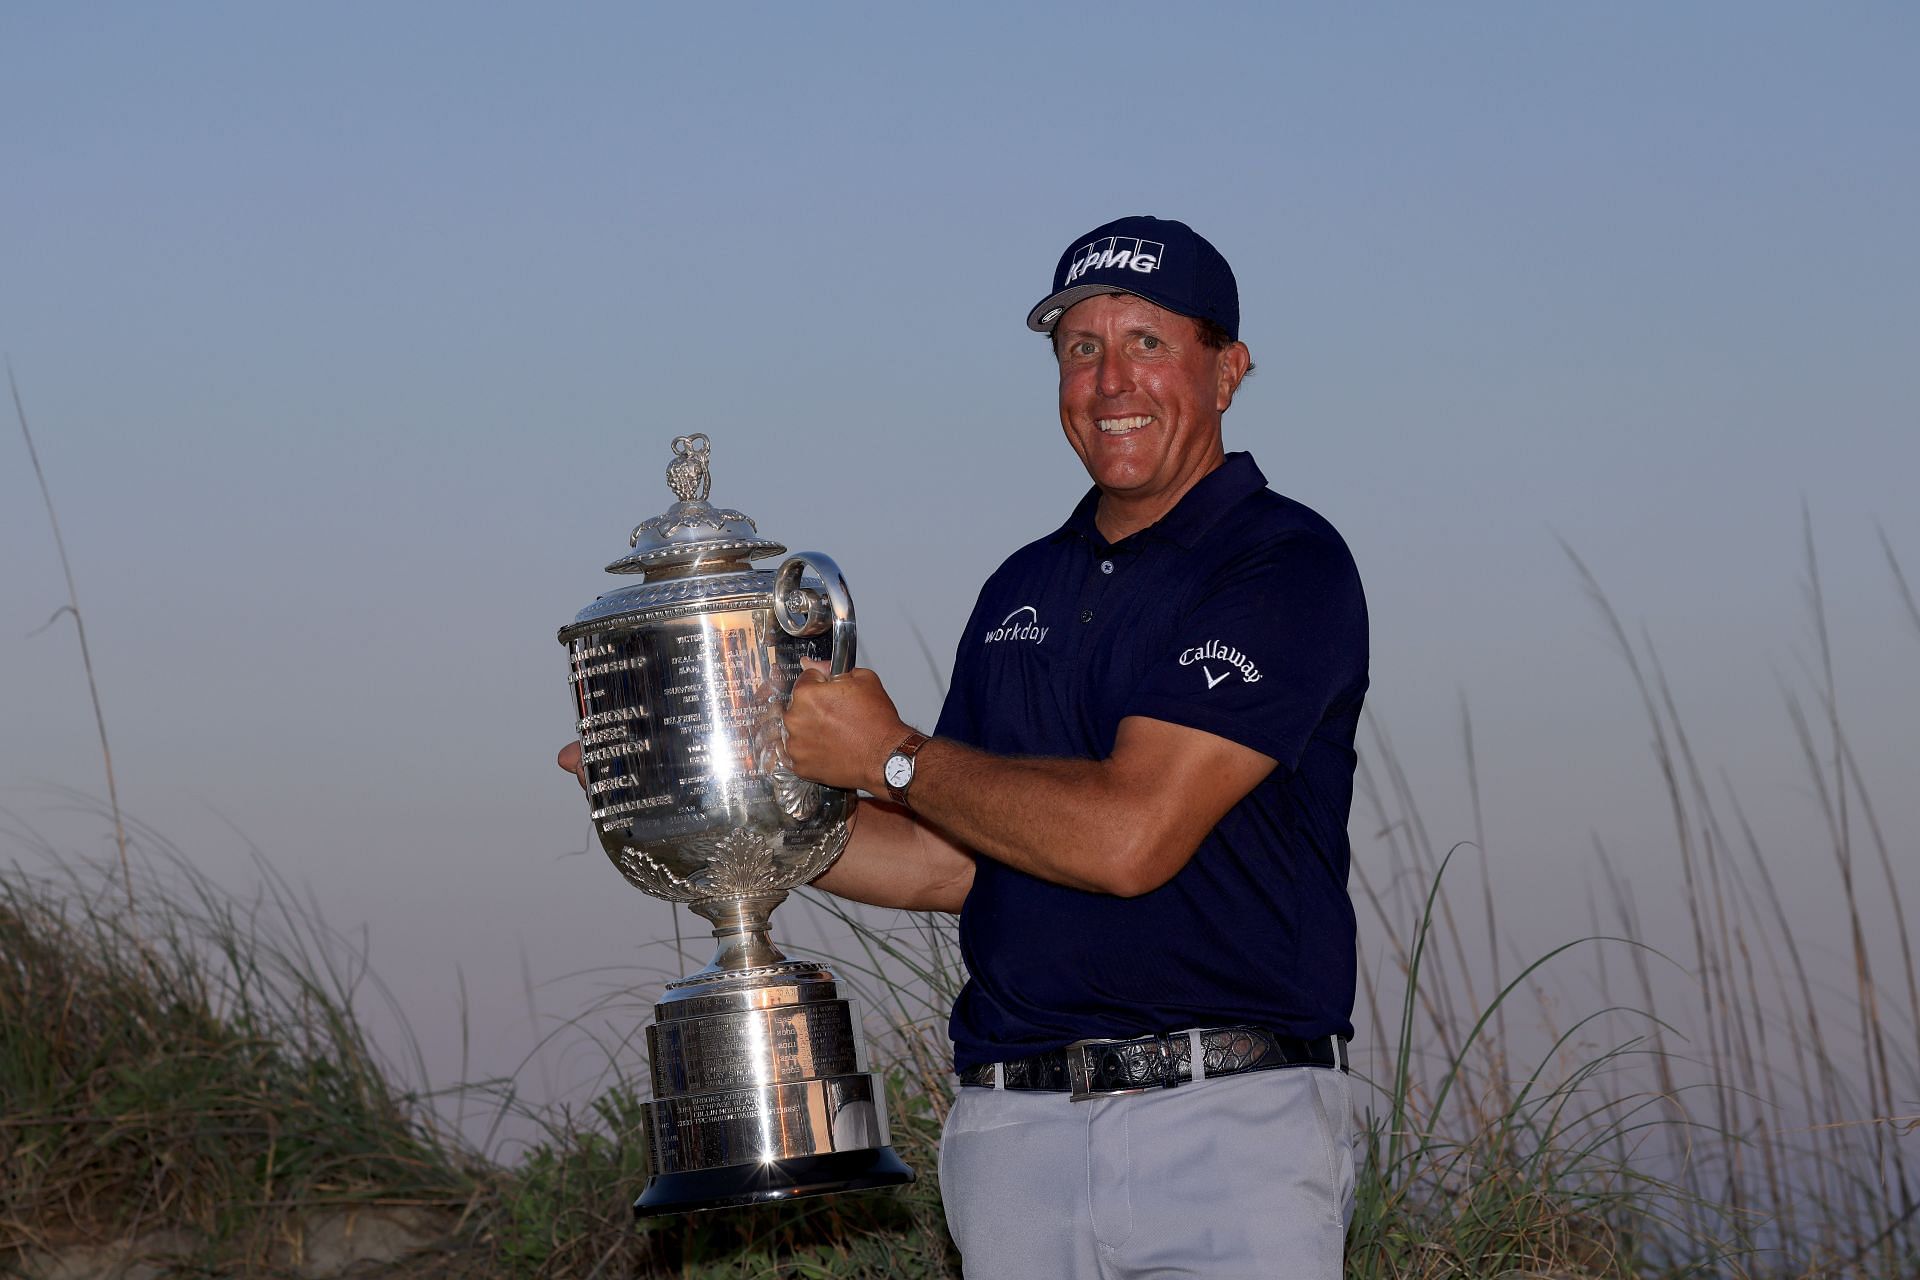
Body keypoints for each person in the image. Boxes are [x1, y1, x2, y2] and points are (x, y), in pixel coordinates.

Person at [564, 215, 1368, 1278]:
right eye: (1081, 348)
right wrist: (716, 800)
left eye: (1148, 342)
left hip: (1225, 1124)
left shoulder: (1284, 563)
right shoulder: (1021, 589)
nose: (1111, 379)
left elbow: (1133, 834)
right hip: (1014, 1131)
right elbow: (958, 857)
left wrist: (895, 756)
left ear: (1228, 368)